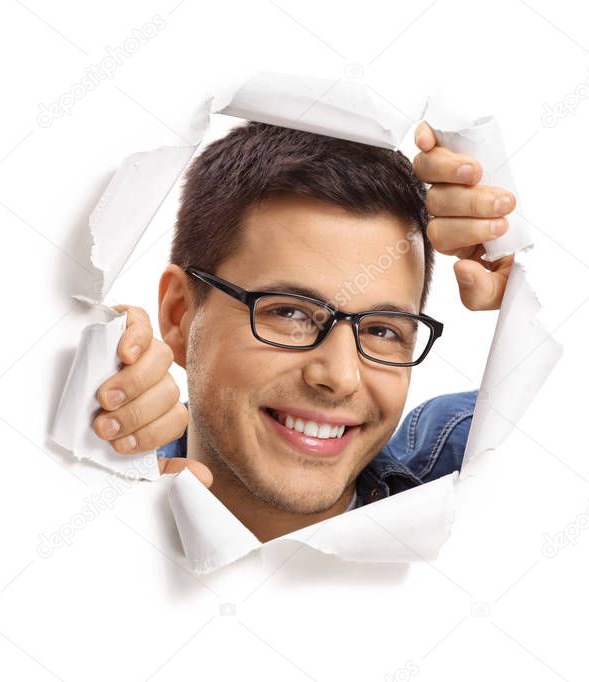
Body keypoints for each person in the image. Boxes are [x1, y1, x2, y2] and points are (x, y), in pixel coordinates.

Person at [91, 120, 515, 542]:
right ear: (179, 314)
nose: (340, 376)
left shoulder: (475, 464)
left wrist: (538, 288)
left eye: (382, 330)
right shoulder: (95, 499)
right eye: (291, 313)